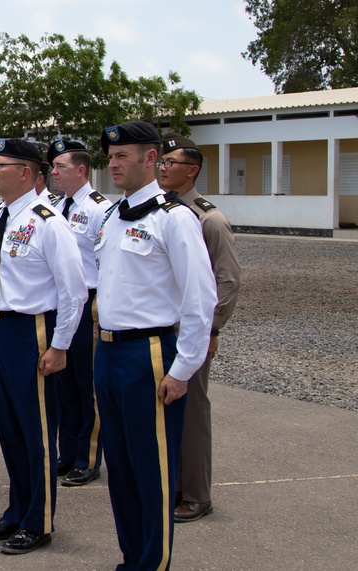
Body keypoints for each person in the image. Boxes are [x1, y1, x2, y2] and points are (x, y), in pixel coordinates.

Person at [95, 121, 217, 571]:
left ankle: (153, 563)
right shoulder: (113, 215)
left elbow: (200, 298)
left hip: (148, 355)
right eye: (110, 157)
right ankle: (132, 559)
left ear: (150, 159)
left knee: (153, 469)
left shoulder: (174, 218)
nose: (113, 164)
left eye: (122, 155)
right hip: (108, 353)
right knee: (121, 470)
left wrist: (183, 369)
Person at [0, 138, 87, 555]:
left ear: (25, 172)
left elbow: (74, 291)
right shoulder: (0, 215)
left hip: (32, 332)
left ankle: (38, 521)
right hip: (0, 331)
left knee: (36, 432)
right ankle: (17, 508)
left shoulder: (47, 222)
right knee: (9, 428)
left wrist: (60, 346)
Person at [158, 132, 242, 524]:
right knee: (166, 408)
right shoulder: (159, 211)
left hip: (191, 330)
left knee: (192, 412)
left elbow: (227, 280)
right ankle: (172, 484)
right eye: (161, 161)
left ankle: (195, 494)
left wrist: (212, 330)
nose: (163, 167)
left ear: (191, 171)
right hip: (161, 330)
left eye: (171, 162)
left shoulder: (209, 218)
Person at [47, 139, 114, 487]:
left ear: (81, 170)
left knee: (86, 383)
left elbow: (105, 261)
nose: (54, 172)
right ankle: (67, 452)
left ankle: (88, 458)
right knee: (63, 382)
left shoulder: (101, 208)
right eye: (53, 167)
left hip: (89, 302)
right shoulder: (57, 207)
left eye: (60, 166)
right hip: (61, 301)